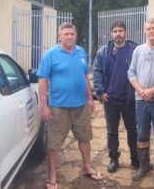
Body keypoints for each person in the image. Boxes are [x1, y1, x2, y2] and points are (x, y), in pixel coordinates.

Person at [37, 22, 103, 189]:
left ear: (76, 35)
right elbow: (43, 81)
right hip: (59, 108)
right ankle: (52, 176)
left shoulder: (81, 52)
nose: (69, 37)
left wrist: (90, 98)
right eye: (65, 34)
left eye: (72, 34)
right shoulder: (50, 55)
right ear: (59, 36)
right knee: (54, 144)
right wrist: (44, 106)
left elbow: (85, 76)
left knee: (85, 138)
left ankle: (87, 167)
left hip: (81, 106)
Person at [93, 20, 139, 173]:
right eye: (115, 31)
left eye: (120, 31)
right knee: (111, 131)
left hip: (129, 99)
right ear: (111, 34)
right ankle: (114, 159)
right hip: (110, 99)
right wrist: (100, 92)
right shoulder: (103, 52)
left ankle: (135, 158)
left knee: (132, 130)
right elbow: (97, 71)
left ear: (125, 32)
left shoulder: (134, 50)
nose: (118, 34)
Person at [128, 18, 154, 185]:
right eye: (148, 28)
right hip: (141, 100)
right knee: (142, 134)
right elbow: (131, 72)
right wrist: (141, 91)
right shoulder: (138, 50)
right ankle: (144, 166)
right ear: (145, 31)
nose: (151, 31)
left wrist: (152, 91)